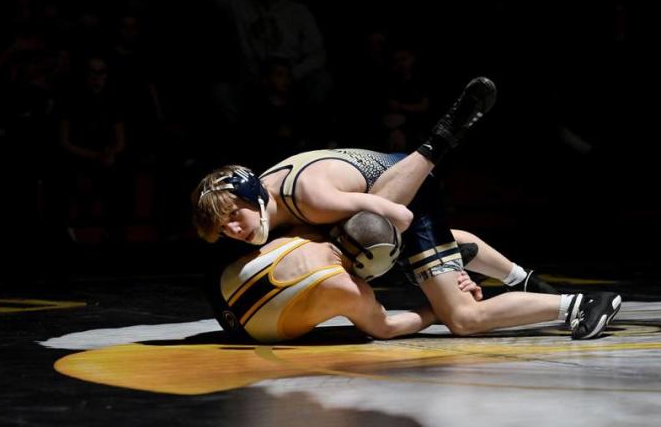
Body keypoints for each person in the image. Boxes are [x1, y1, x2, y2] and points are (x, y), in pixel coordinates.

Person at [192, 77, 621, 343]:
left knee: (462, 317)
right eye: (223, 228)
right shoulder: (265, 200)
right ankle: (521, 280)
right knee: (358, 246)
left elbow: (398, 217)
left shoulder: (311, 198)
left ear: (252, 197)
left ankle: (580, 305)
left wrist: (390, 267)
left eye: (233, 217)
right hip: (374, 195)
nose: (232, 230)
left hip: (408, 194)